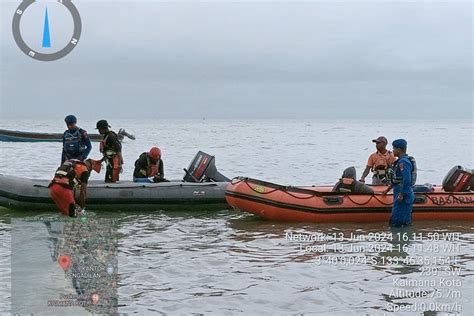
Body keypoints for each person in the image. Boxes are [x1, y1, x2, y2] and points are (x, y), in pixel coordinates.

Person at [383, 139, 415, 227]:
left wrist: (402, 193)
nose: (392, 150)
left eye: (394, 148)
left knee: (398, 220)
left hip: (403, 195)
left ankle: (400, 239)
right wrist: (388, 189)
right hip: (399, 192)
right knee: (397, 218)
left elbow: (407, 179)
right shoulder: (400, 162)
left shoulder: (403, 162)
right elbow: (397, 179)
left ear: (399, 149)